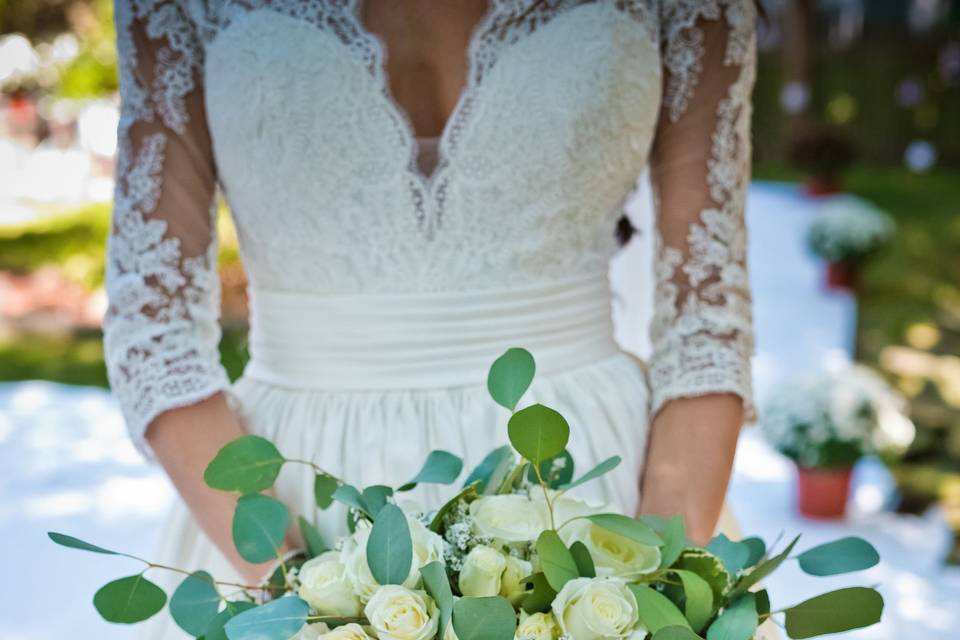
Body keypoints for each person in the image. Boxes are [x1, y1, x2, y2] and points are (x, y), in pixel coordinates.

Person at [105, 2, 758, 636]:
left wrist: (650, 594)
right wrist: (294, 604)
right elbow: (154, 336)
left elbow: (707, 323)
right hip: (286, 504)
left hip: (590, 492)